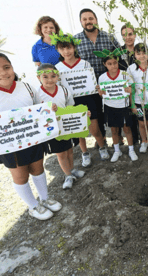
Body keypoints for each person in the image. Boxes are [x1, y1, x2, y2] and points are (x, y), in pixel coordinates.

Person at [0, 53, 62, 220]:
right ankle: (33, 206)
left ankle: (45, 198)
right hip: (10, 144)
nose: (3, 73)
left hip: (33, 138)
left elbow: (38, 107)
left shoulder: (26, 87)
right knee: (20, 175)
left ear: (12, 67)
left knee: (38, 168)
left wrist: (49, 108)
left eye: (6, 67)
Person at [54, 32, 110, 167]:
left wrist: (95, 87)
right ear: (58, 50)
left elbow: (91, 81)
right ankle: (85, 152)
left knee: (94, 128)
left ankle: (102, 147)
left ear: (74, 48)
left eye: (69, 48)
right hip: (71, 102)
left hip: (89, 99)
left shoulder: (84, 64)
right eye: (63, 48)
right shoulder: (57, 68)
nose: (66, 51)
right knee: (78, 130)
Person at [35, 64, 84, 190]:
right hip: (51, 130)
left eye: (53, 76)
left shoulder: (64, 90)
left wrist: (82, 116)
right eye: (45, 77)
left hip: (67, 126)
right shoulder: (37, 94)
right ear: (38, 77)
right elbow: (35, 113)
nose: (50, 79)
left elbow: (71, 106)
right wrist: (49, 111)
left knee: (69, 150)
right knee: (61, 154)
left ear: (58, 76)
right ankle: (67, 175)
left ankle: (72, 169)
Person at [75, 8, 120, 141]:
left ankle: (118, 137)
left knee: (113, 109)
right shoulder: (75, 40)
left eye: (91, 18)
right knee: (96, 114)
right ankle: (102, 138)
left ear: (96, 20)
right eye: (85, 19)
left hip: (109, 83)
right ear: (81, 22)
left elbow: (119, 55)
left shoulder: (109, 37)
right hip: (88, 86)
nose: (88, 22)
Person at [96, 50, 138, 163]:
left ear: (118, 62)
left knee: (127, 129)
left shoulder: (125, 75)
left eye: (115, 63)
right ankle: (116, 150)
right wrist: (101, 93)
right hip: (110, 106)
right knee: (114, 130)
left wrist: (131, 93)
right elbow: (102, 94)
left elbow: (132, 90)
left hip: (123, 106)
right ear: (105, 64)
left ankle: (131, 150)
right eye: (109, 64)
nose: (113, 65)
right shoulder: (102, 78)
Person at [126, 43, 148, 154]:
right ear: (134, 55)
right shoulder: (131, 69)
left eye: (144, 53)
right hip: (138, 101)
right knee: (141, 123)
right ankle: (144, 141)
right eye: (138, 53)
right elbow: (130, 88)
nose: (141, 56)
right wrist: (132, 105)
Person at [118, 24, 140, 146]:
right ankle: (134, 140)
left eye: (130, 34)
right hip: (125, 90)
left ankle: (144, 139)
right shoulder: (119, 52)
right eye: (124, 35)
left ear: (135, 35)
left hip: (140, 90)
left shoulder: (141, 50)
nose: (128, 37)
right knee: (129, 115)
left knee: (141, 115)